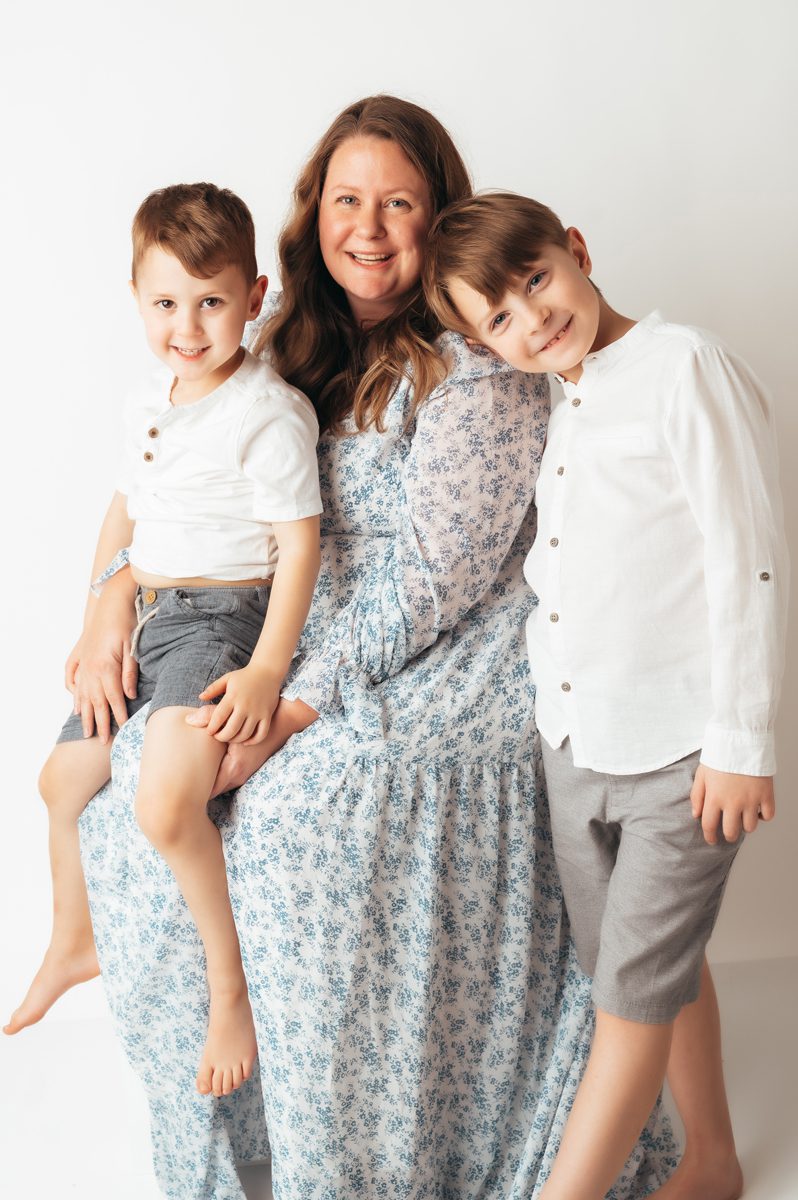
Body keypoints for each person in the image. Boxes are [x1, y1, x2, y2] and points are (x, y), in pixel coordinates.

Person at [73, 99, 675, 1197]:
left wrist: (295, 704)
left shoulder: (477, 363)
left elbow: (434, 581)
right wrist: (114, 592)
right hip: (281, 620)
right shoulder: (281, 339)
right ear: (315, 215)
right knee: (125, 788)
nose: (369, 225)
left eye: (399, 202)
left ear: (439, 215)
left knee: (306, 808)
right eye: (347, 199)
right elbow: (180, 485)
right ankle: (233, 1149)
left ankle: (368, 1160)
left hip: (443, 649)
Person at [424, 190, 789, 1200]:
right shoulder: (561, 401)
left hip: (684, 755)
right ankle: (712, 1161)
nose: (533, 318)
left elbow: (748, 557)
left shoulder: (683, 367)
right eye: (500, 317)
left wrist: (743, 741)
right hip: (578, 743)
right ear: (485, 345)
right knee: (646, 967)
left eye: (535, 279)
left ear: (576, 249)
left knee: (627, 1004)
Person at [4, 183, 323, 1101]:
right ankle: (75, 937)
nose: (188, 327)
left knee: (165, 804)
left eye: (211, 302)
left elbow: (300, 547)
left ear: (253, 298)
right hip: (149, 612)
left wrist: (266, 668)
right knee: (61, 779)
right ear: (137, 298)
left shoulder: (266, 412)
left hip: (223, 621)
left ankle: (230, 988)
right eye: (166, 303)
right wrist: (95, 616)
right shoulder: (151, 398)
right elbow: (124, 510)